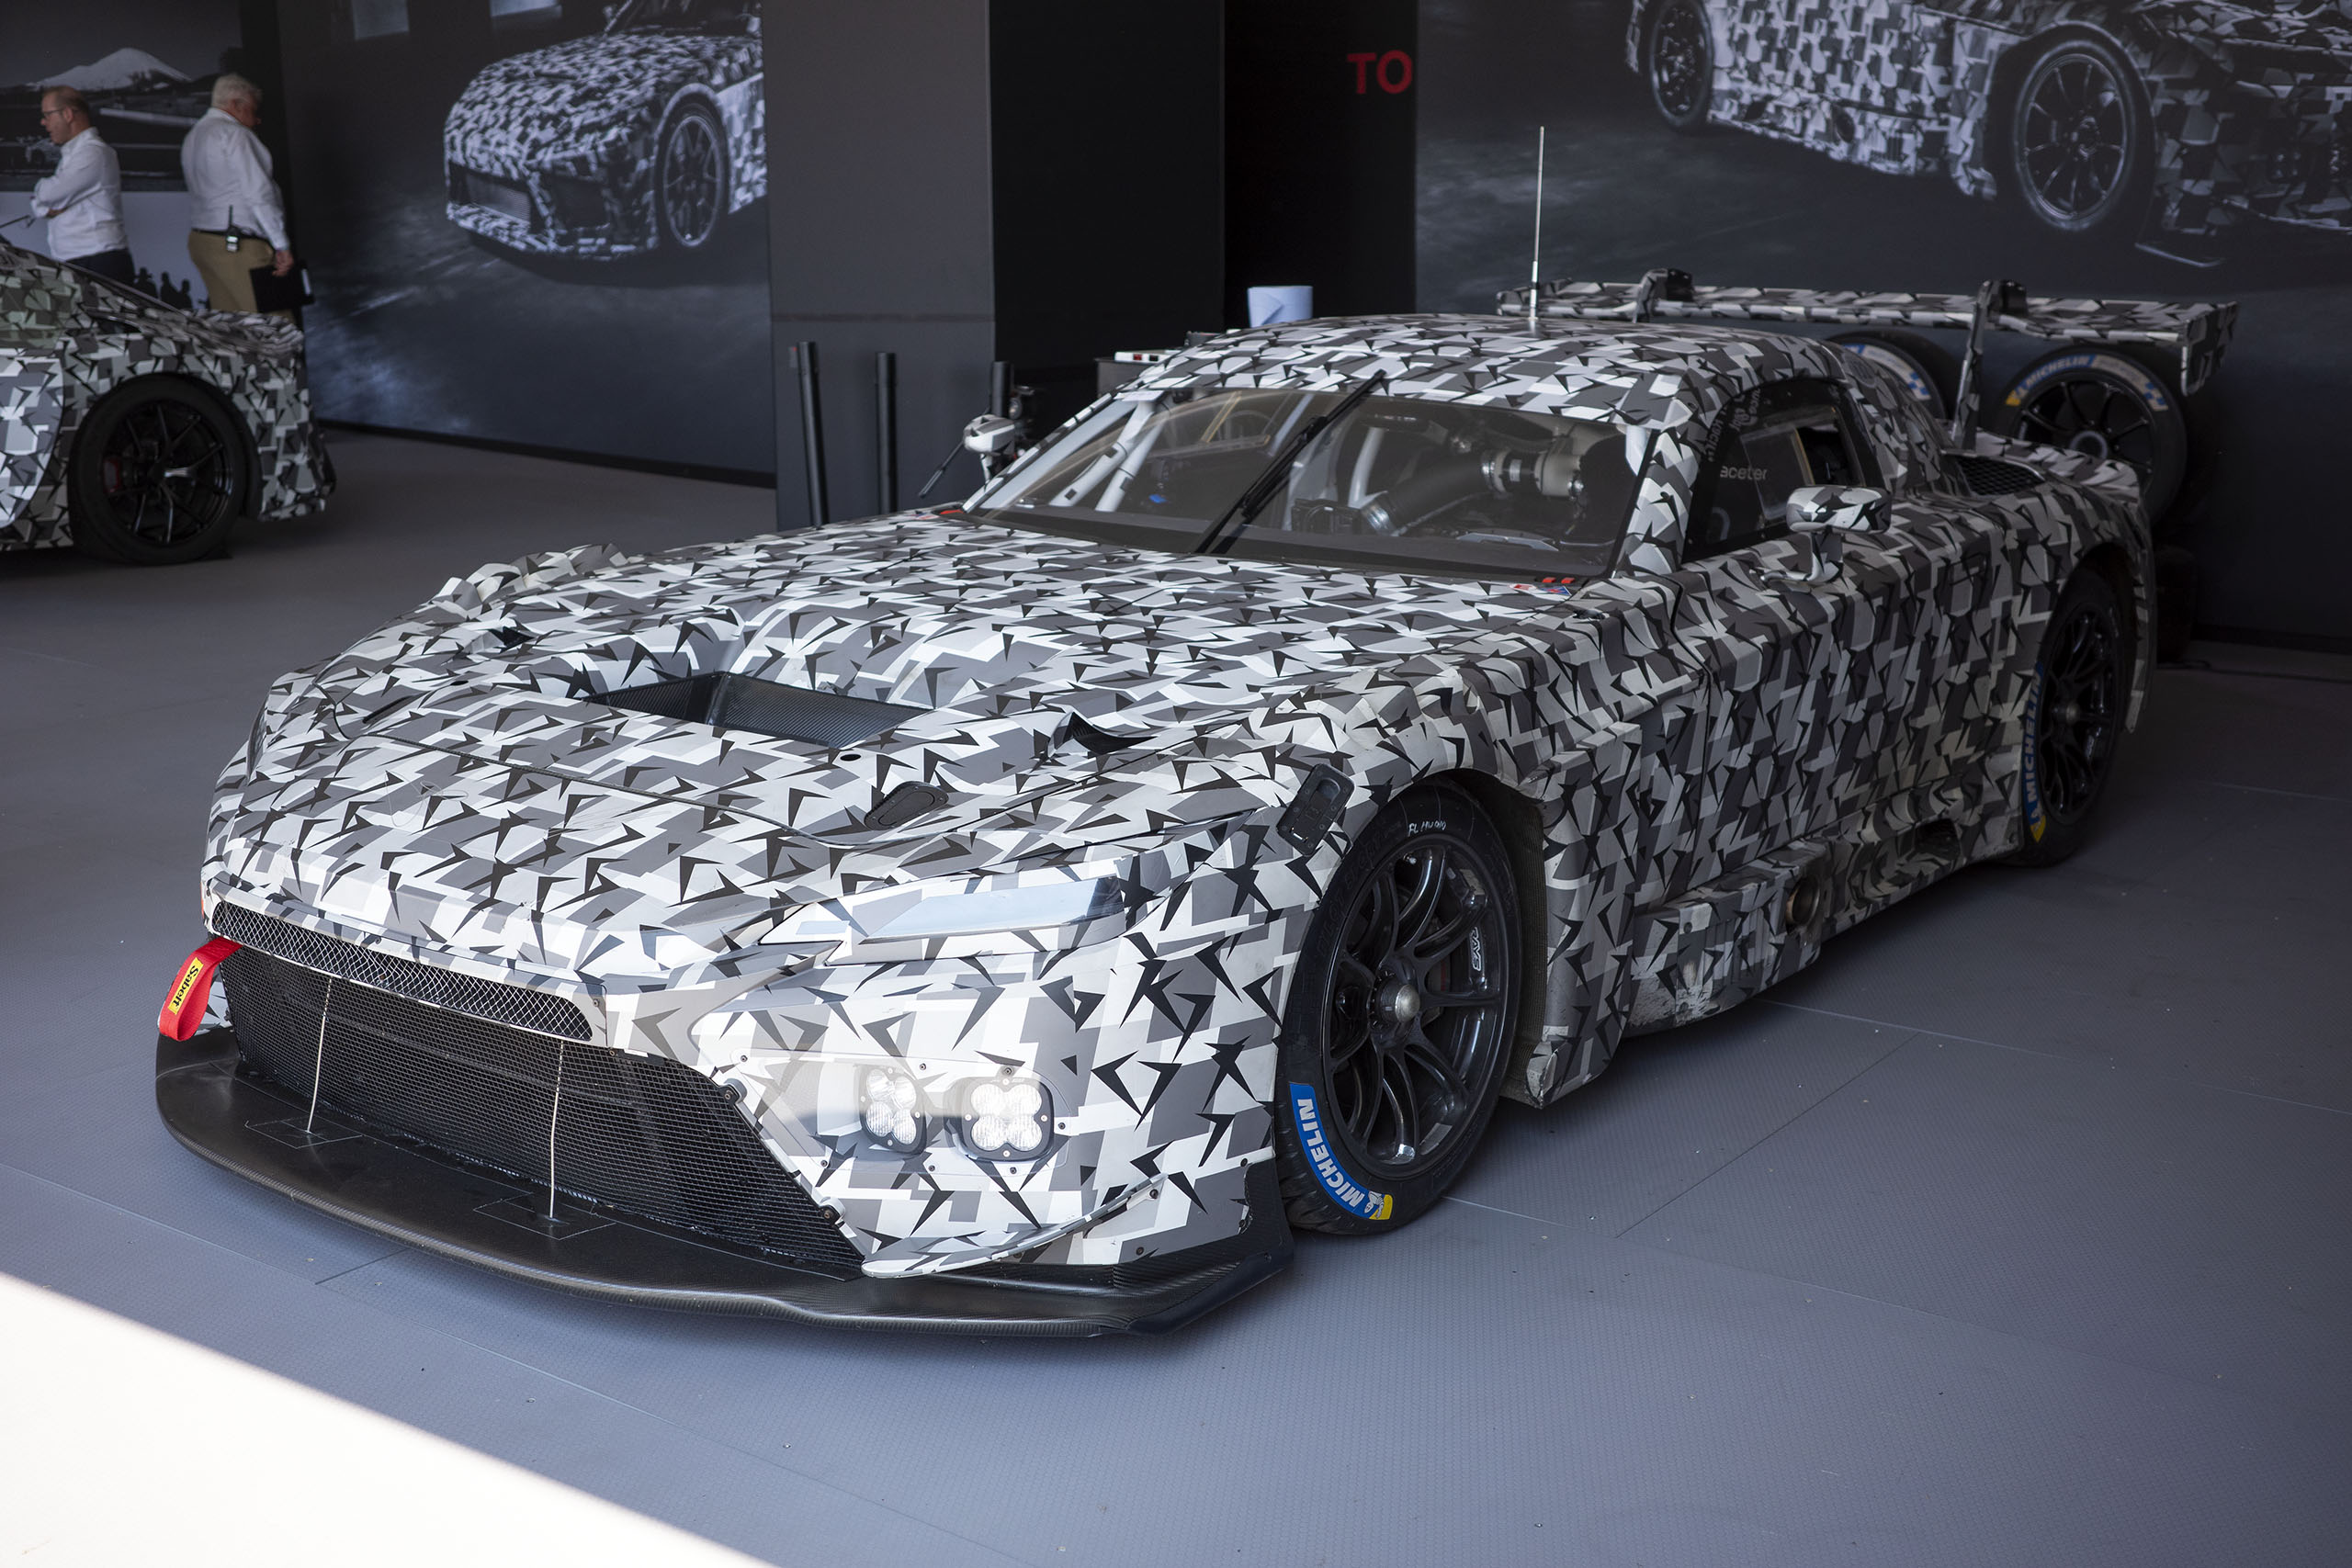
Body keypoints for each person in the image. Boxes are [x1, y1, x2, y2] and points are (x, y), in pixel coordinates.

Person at [181, 73, 295, 317]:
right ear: (236, 104)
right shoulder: (235, 134)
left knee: (233, 330)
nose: (256, 120)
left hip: (203, 241)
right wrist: (281, 245)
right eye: (253, 111)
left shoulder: (193, 136)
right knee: (275, 328)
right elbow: (259, 194)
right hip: (238, 246)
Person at [28, 87, 132, 287]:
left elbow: (49, 195)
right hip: (82, 261)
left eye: (47, 115)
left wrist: (41, 191)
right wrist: (42, 205)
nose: (43, 122)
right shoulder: (74, 153)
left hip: (98, 262)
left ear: (67, 114)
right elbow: (43, 202)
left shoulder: (93, 153)